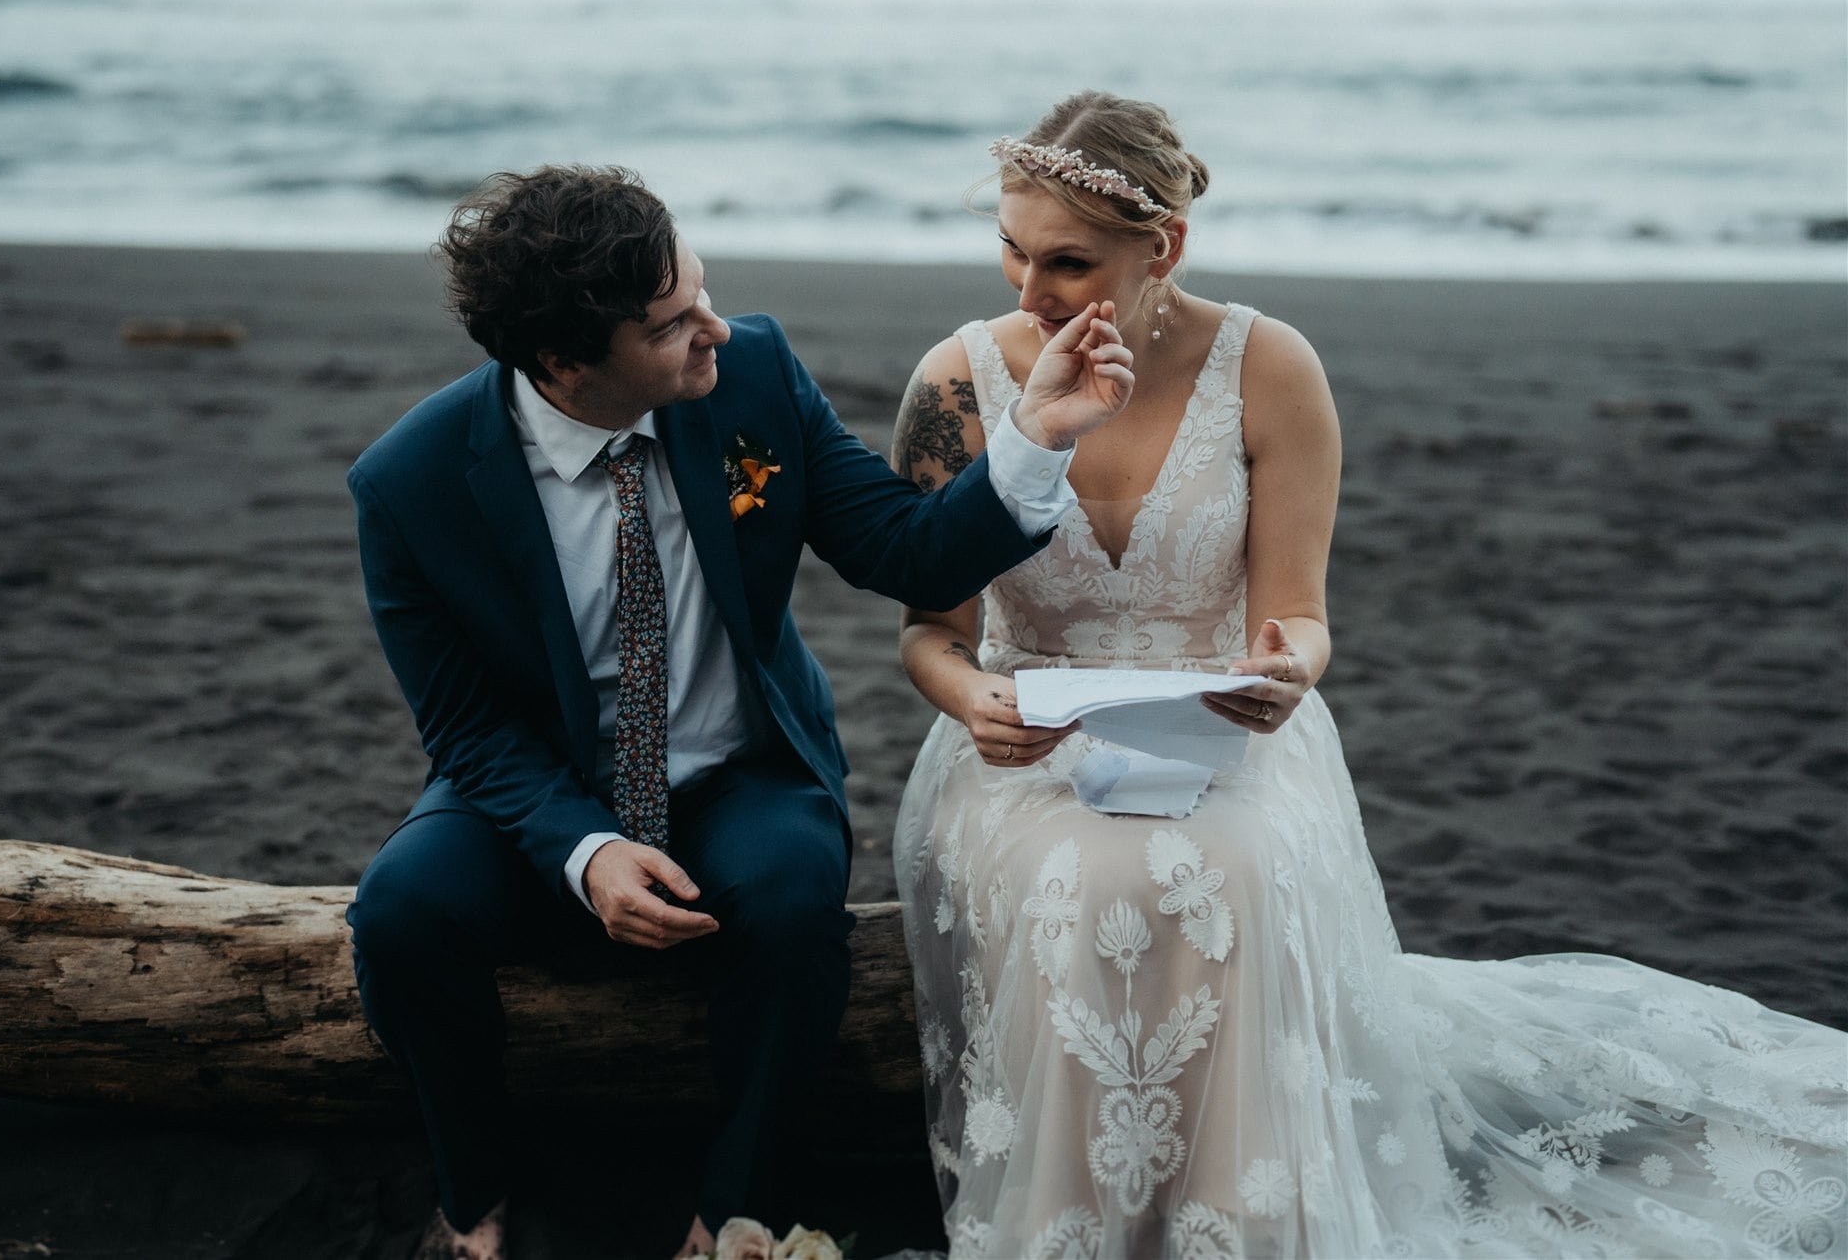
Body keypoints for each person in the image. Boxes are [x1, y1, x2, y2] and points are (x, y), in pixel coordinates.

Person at [891, 91, 1848, 1257]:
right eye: (1009, 248)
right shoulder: (954, 384)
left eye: (1067, 262)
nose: (1026, 292)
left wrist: (1283, 672)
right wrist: (972, 698)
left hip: (1218, 727)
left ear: (1164, 250)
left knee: (1230, 869)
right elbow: (926, 631)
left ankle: (1241, 1225)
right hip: (1020, 739)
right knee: (1077, 882)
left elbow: (1296, 617)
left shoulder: (1268, 368)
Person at [342, 164, 1136, 1260]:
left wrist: (1039, 432)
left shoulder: (750, 374)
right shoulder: (409, 484)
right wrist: (582, 852)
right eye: (671, 326)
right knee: (396, 915)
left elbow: (898, 547)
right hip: (543, 784)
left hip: (738, 768)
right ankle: (474, 1189)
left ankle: (732, 1207)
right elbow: (466, 728)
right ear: (566, 363)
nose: (714, 329)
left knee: (791, 901)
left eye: (701, 290)